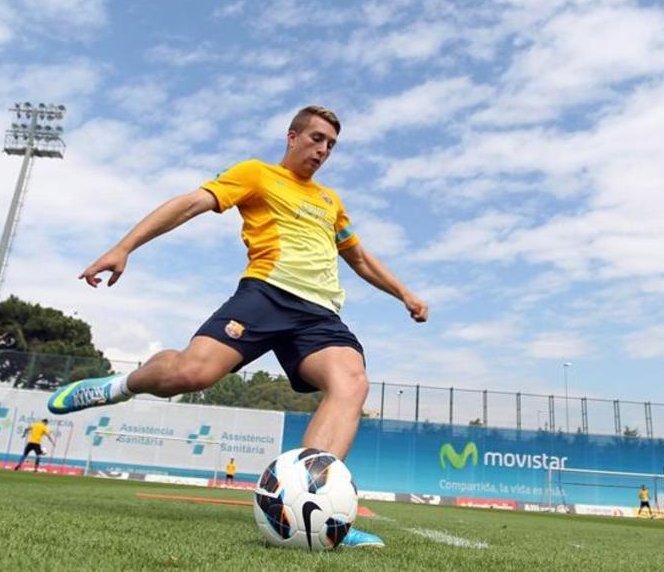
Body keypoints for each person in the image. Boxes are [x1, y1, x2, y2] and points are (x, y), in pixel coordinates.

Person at [47, 106, 428, 549]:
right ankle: (121, 385)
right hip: (265, 294)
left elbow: (359, 259)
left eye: (331, 145)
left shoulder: (331, 202)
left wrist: (404, 293)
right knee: (190, 375)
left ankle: (320, 515)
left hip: (320, 314)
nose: (323, 150)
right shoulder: (256, 174)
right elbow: (190, 203)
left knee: (352, 383)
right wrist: (123, 246)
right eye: (316, 138)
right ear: (292, 136)